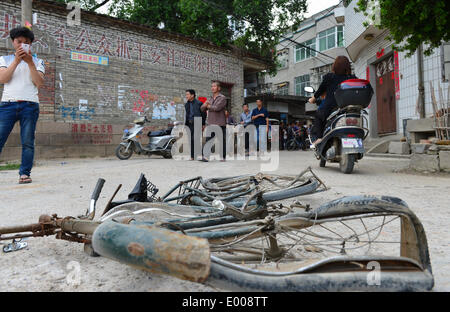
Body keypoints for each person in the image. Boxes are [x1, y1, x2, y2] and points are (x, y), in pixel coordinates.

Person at [0, 27, 45, 184]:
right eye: (19, 42)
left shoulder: (38, 61)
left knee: (27, 141)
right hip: (7, 105)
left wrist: (30, 63)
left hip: (30, 105)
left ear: (30, 45)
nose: (22, 45)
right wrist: (17, 61)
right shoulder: (4, 59)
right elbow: (3, 79)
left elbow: (39, 83)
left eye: (26, 43)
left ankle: (24, 173)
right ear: (13, 42)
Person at [309, 56, 357, 147]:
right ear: (348, 66)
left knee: (318, 115)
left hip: (330, 108)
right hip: (347, 109)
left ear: (335, 66)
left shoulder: (329, 77)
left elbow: (320, 90)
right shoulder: (352, 77)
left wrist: (313, 99)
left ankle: (319, 138)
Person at [201, 81, 227, 161]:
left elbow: (217, 108)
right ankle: (205, 156)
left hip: (220, 122)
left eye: (214, 86)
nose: (212, 88)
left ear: (219, 88)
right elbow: (202, 109)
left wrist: (208, 106)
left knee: (221, 140)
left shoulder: (222, 98)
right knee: (208, 140)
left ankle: (222, 157)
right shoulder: (210, 98)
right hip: (211, 122)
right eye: (212, 86)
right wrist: (205, 105)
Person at [184, 89, 206, 160]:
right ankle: (192, 156)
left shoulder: (199, 103)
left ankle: (203, 155)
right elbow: (187, 115)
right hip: (189, 123)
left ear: (192, 95)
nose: (186, 96)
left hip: (197, 122)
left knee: (196, 139)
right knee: (191, 140)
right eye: (186, 94)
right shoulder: (186, 104)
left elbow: (204, 114)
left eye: (187, 94)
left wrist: (203, 124)